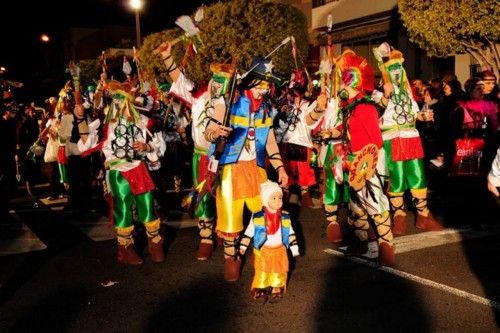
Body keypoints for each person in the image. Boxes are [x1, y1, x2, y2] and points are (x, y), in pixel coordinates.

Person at [204, 56, 289, 281]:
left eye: (266, 86)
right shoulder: (228, 102)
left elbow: (270, 142)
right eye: (261, 84)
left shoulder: (266, 110)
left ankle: (260, 256)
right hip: (230, 170)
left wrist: (280, 168)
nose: (265, 90)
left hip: (257, 169)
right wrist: (217, 133)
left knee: (266, 212)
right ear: (250, 82)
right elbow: (208, 133)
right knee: (230, 219)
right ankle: (231, 259)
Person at [158, 41, 227, 261]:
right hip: (202, 156)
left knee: (227, 196)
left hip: (227, 156)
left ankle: (226, 231)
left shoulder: (234, 97)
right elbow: (178, 79)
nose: (217, 82)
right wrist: (168, 57)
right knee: (204, 196)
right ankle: (206, 237)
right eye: (215, 76)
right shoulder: (198, 96)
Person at [90, 79, 166, 265]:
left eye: (121, 102)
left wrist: (146, 146)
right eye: (115, 102)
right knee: (122, 208)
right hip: (117, 170)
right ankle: (125, 248)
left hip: (138, 168)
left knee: (147, 206)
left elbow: (159, 145)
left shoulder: (143, 122)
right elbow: (87, 144)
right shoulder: (104, 125)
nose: (118, 106)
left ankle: (155, 242)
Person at [372, 42, 444, 236]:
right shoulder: (377, 92)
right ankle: (399, 217)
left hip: (411, 137)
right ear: (386, 71)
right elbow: (377, 110)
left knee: (418, 177)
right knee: (397, 180)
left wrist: (423, 117)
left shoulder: (408, 94)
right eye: (392, 68)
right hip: (393, 139)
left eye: (399, 68)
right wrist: (386, 94)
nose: (396, 71)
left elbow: (414, 116)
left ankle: (423, 216)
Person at [334, 50, 396, 265]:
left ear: (351, 84)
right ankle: (360, 242)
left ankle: (387, 245)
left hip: (368, 163)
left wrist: (370, 164)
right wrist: (330, 133)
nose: (340, 88)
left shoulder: (365, 107)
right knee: (356, 206)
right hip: (353, 162)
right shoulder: (349, 108)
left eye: (343, 84)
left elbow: (376, 141)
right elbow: (344, 130)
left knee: (376, 204)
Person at [239, 180, 299, 302]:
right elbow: (249, 231)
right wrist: (243, 246)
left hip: (279, 249)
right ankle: (260, 288)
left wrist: (294, 247)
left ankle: (277, 287)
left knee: (278, 270)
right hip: (263, 249)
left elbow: (290, 232)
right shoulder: (257, 216)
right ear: (266, 200)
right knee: (262, 270)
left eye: (280, 198)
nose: (278, 201)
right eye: (274, 198)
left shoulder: (285, 216)